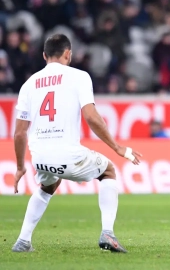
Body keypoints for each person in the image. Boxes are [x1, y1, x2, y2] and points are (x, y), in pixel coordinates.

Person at [12, 34, 142, 253]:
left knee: (48, 186)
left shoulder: (28, 84)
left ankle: (23, 241)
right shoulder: (79, 76)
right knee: (108, 171)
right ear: (68, 54)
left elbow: (19, 133)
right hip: (67, 155)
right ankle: (107, 233)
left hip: (40, 157)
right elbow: (91, 117)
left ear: (44, 56)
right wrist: (118, 147)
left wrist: (19, 167)